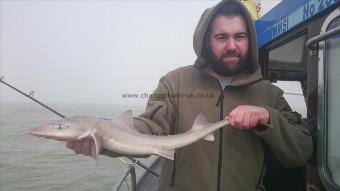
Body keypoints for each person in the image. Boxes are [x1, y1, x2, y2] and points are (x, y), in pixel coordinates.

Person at [66, 0, 313, 190]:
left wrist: (267, 117)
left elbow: (301, 151)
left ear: (249, 40)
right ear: (206, 41)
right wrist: (105, 138)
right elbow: (149, 126)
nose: (231, 45)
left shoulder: (269, 93)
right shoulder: (174, 82)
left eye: (240, 36)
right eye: (221, 37)